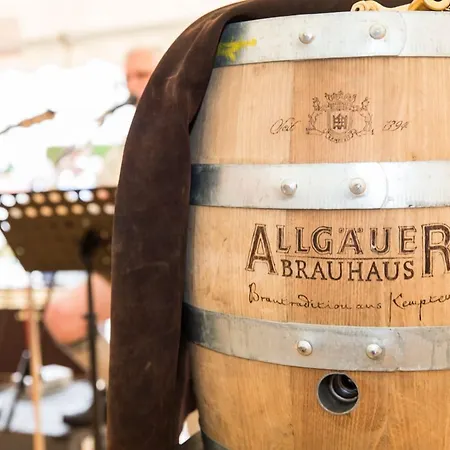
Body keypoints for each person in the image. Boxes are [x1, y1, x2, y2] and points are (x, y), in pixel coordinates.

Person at [42, 47, 159, 426]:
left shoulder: (186, 121)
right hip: (123, 256)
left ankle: (136, 395)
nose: (134, 85)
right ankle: (123, 391)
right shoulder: (127, 133)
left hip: (162, 259)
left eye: (142, 74)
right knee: (61, 316)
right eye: (129, 77)